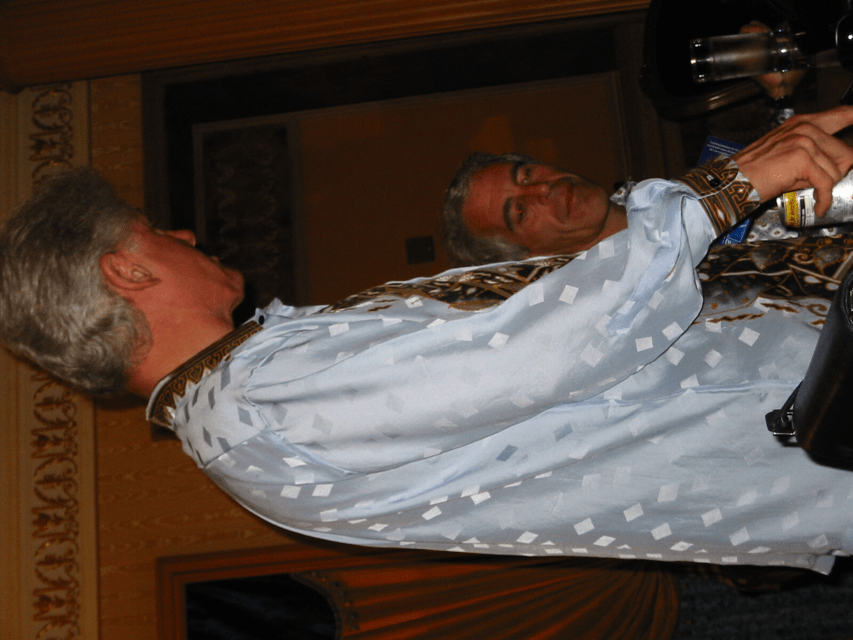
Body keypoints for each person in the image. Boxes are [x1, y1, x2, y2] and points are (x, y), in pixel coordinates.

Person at [3, 108, 853, 574]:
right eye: (156, 234)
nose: (184, 236)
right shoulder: (256, 406)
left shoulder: (247, 398)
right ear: (126, 272)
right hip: (808, 413)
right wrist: (731, 183)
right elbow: (545, 350)